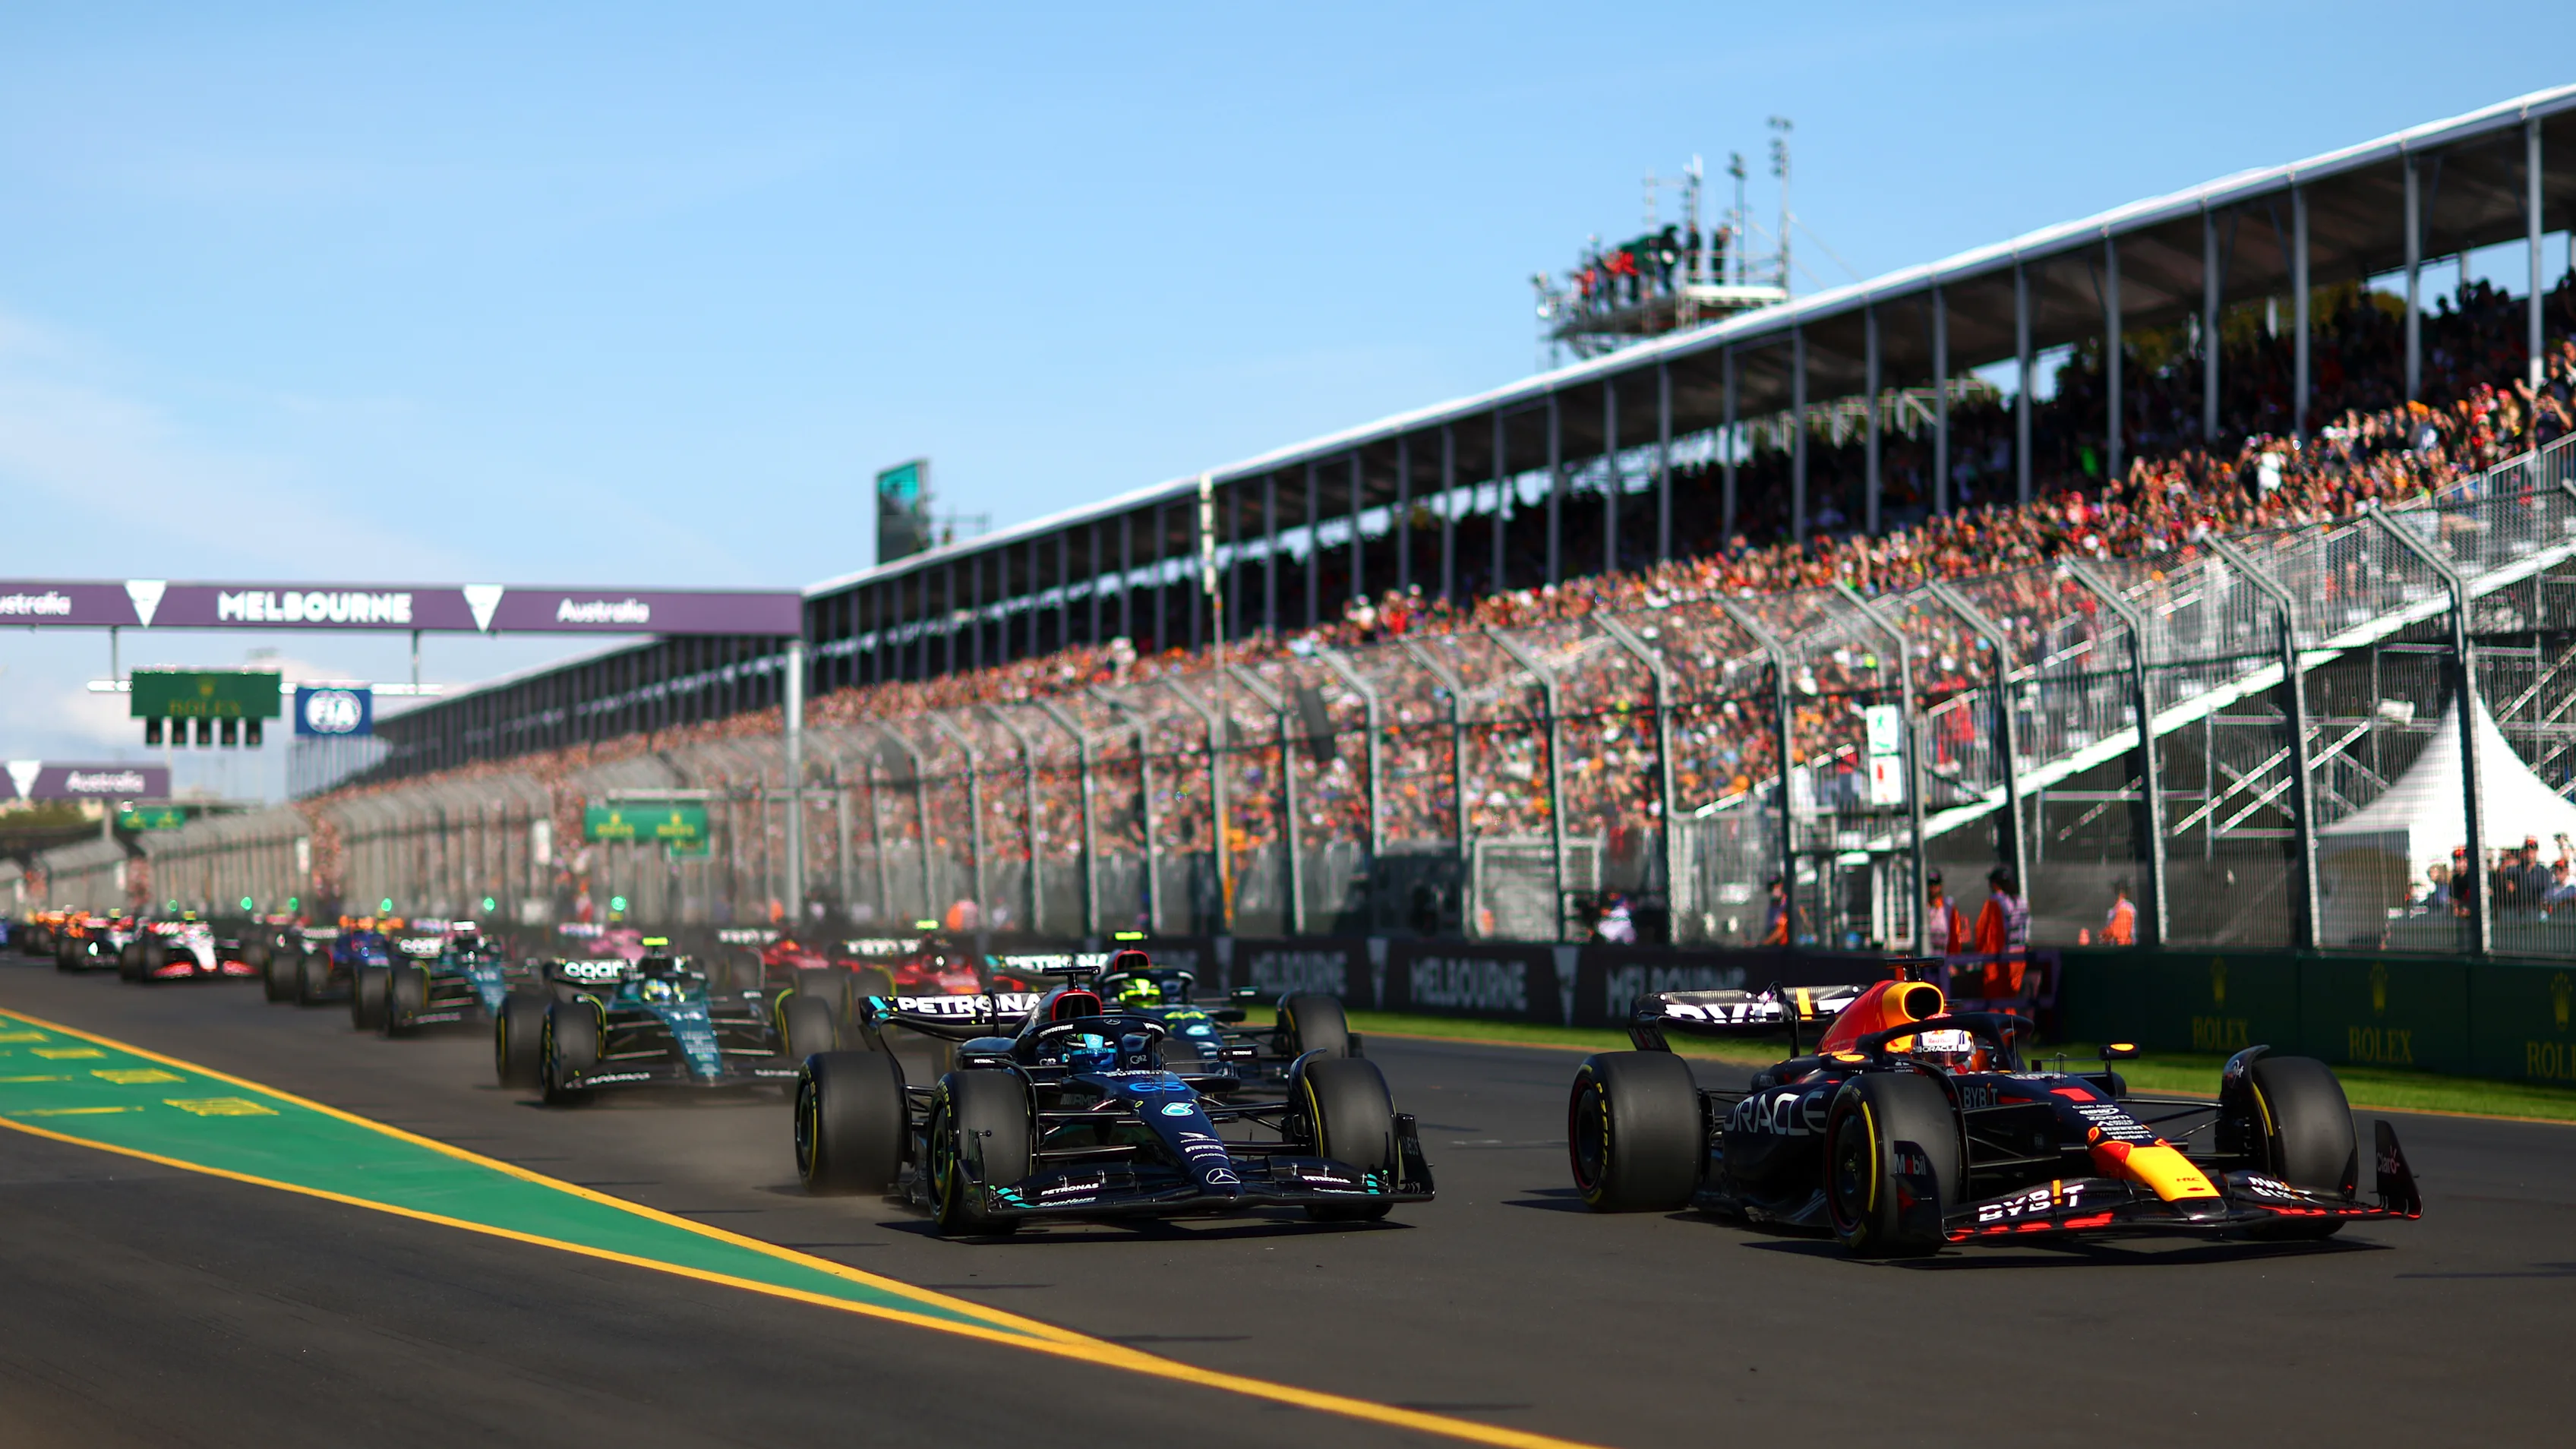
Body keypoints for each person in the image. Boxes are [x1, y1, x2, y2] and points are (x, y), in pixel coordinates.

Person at [1971, 867, 2028, 996]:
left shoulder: (1994, 901)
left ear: (1995, 884)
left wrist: (1978, 955)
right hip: (2019, 955)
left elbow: (1982, 930)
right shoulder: (2022, 901)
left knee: (1996, 999)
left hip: (1999, 959)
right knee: (2012, 998)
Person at [1923, 870, 1968, 957]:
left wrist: (1953, 960)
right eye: (1930, 884)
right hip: (1925, 958)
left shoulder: (1948, 906)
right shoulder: (1920, 907)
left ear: (1940, 886)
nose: (1932, 888)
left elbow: (1955, 934)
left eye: (1935, 884)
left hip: (1943, 957)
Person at [2102, 879, 2137, 946]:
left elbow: (2122, 938)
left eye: (2115, 890)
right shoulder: (2115, 909)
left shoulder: (2125, 908)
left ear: (2121, 892)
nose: (2112, 893)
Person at [1760, 876, 1788, 945]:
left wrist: (1764, 944)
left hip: (1786, 948)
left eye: (1776, 887)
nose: (1773, 891)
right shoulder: (1773, 906)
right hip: (1775, 946)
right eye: (1772, 888)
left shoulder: (1788, 906)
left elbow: (1780, 931)